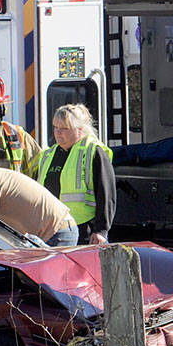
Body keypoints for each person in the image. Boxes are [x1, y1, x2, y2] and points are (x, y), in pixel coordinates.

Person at [37, 103, 115, 245]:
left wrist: (101, 230)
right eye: (56, 127)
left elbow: (106, 194)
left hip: (84, 231)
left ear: (80, 130)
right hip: (52, 230)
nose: (58, 133)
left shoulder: (94, 151)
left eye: (64, 128)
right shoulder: (47, 155)